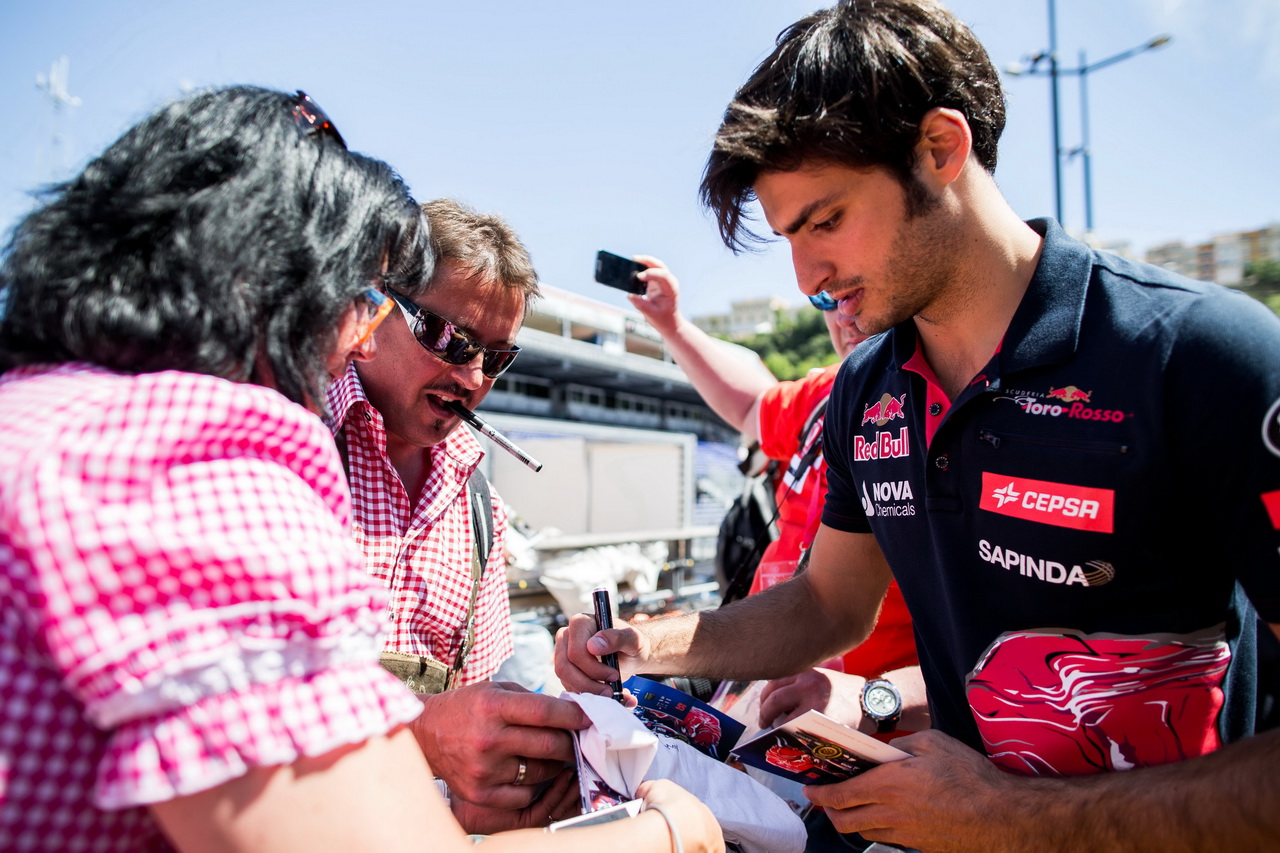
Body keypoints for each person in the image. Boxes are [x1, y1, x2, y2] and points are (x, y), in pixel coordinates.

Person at [555, 1, 1280, 850]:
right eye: (789, 236)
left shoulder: (1205, 357)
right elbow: (828, 604)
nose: (807, 277)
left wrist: (1011, 821)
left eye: (825, 221)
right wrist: (645, 642)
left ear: (941, 149)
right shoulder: (868, 387)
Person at [0, 84, 723, 853]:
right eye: (362, 297)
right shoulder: (191, 462)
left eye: (498, 358)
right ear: (265, 278)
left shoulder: (40, 414)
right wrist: (671, 832)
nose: (358, 332)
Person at [327, 197, 590, 831]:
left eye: (495, 358)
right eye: (449, 339)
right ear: (372, 308)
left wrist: (519, 771)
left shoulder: (479, 507)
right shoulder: (288, 443)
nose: (472, 378)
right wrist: (422, 734)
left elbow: (470, 711)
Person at [625, 255, 926, 738]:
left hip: (862, 717)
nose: (843, 313)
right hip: (763, 678)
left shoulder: (943, 407)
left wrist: (880, 698)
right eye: (827, 298)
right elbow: (750, 408)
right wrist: (671, 324)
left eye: (857, 288)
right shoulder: (825, 393)